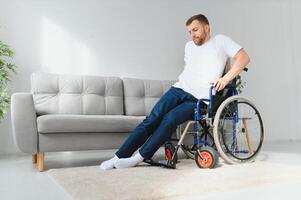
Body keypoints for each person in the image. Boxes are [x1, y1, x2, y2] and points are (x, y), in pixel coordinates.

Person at [100, 14, 250, 170]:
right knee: (152, 119)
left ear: (207, 27)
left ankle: (139, 158)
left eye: (195, 30)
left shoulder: (220, 41)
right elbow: (188, 69)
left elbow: (244, 58)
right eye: (190, 31)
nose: (192, 35)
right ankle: (118, 156)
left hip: (199, 99)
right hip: (179, 89)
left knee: (170, 119)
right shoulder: (189, 46)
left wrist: (225, 79)